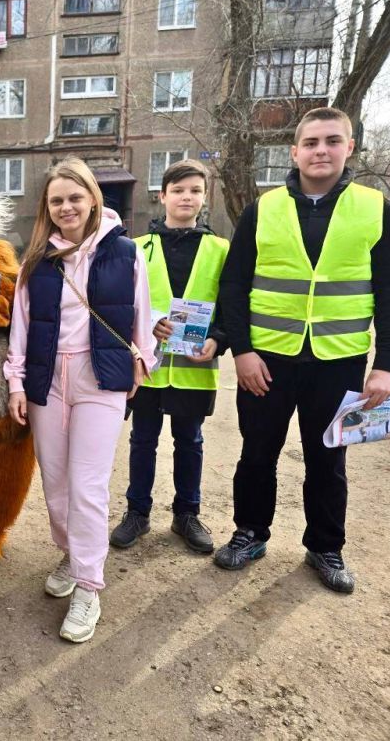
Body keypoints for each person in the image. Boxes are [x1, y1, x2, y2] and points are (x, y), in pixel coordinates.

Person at [215, 106, 390, 593]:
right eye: (312, 142)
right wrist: (242, 351)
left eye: (332, 141)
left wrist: (385, 366)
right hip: (267, 360)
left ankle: (326, 546)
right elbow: (233, 285)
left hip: (337, 360)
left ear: (349, 148)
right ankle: (250, 533)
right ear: (295, 151)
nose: (322, 150)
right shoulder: (264, 208)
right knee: (257, 454)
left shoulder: (374, 208)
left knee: (328, 462)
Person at [4, 157, 158, 643]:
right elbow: (21, 328)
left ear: (93, 198)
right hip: (48, 380)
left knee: (88, 485)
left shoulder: (126, 252)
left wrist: (142, 359)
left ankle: (89, 586)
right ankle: (72, 554)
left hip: (100, 379)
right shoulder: (37, 263)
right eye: (56, 200)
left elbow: (142, 312)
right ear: (46, 209)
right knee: (55, 483)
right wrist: (16, 382)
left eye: (75, 197)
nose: (67, 207)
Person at [110, 159, 230, 554]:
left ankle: (186, 514)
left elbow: (231, 305)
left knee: (190, 442)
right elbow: (121, 303)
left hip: (196, 367)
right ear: (162, 197)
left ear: (204, 197)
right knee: (143, 440)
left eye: (195, 190)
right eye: (178, 190)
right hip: (149, 367)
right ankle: (137, 512)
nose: (186, 197)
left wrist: (218, 338)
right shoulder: (138, 248)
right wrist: (147, 328)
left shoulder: (220, 249)